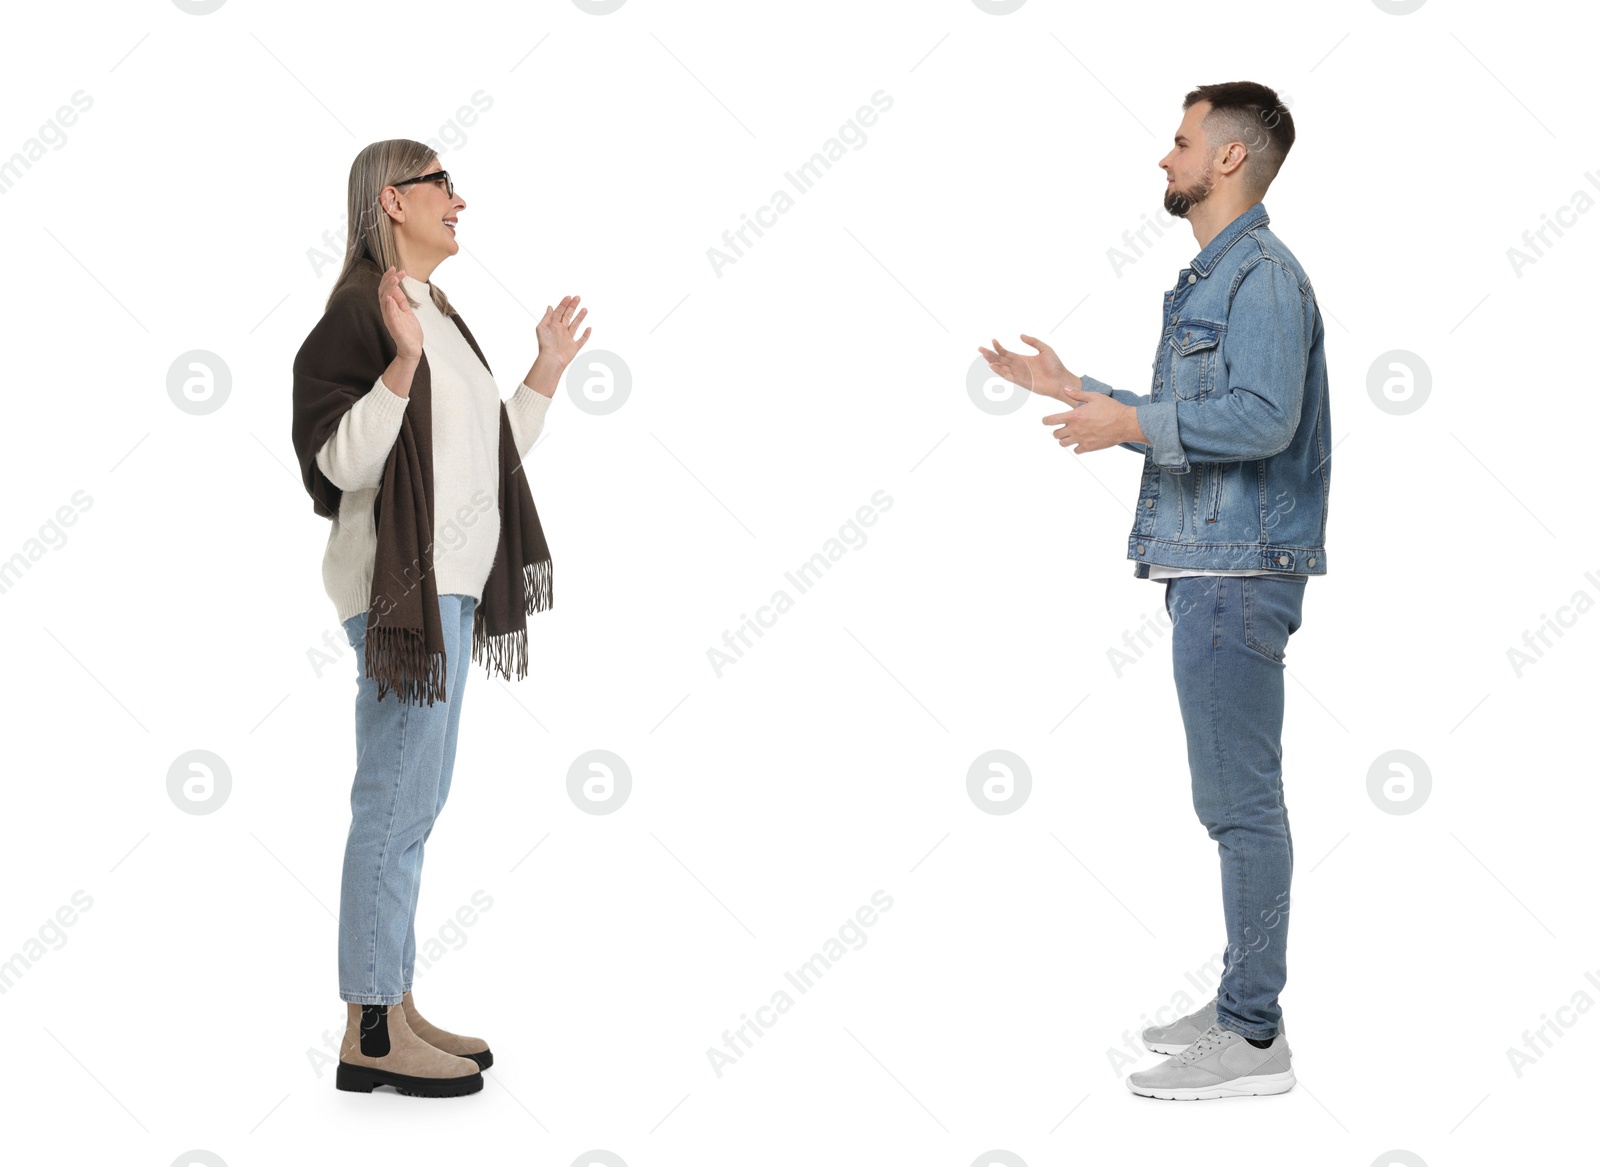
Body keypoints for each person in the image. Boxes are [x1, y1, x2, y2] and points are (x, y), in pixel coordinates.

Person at [979, 81, 1328, 1101]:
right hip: (1209, 566)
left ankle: (1255, 1037)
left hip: (1235, 570)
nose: (1163, 158)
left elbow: (1264, 420)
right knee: (1229, 801)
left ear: (1229, 159)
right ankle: (1236, 1007)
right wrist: (1076, 392)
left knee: (1240, 806)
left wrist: (1132, 427)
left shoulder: (1258, 274)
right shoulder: (1219, 277)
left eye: (1179, 142)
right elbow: (1201, 409)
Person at [290, 141, 592, 1097]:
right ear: (394, 200)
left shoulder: (440, 314)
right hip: (398, 601)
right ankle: (368, 1032)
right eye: (443, 186)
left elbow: (485, 458)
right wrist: (399, 368)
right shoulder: (363, 311)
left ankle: (393, 1000)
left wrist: (542, 373)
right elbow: (342, 461)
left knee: (414, 806)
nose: (461, 201)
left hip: (450, 589)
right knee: (389, 805)